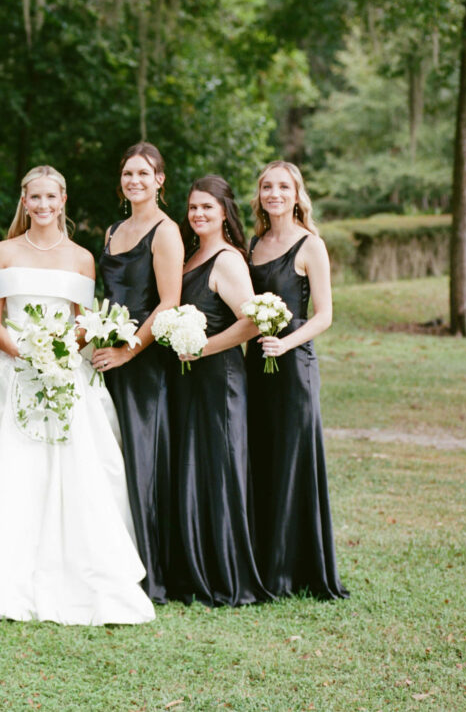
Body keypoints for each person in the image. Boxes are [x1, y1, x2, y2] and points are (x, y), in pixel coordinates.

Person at [0, 165, 155, 625]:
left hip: (67, 372)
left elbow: (84, 319)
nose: (43, 206)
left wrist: (61, 353)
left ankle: (79, 578)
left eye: (51, 197)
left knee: (80, 474)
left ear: (62, 200)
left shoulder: (83, 257)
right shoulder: (3, 253)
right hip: (11, 372)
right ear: (24, 202)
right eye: (35, 198)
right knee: (2, 472)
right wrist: (25, 353)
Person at [245, 161, 349, 600]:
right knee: (262, 456)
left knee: (292, 459)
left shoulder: (311, 246)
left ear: (296, 193)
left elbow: (324, 314)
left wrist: (286, 344)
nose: (274, 193)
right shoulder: (253, 244)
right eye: (267, 186)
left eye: (282, 186)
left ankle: (292, 569)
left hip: (295, 366)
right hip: (256, 365)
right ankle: (263, 561)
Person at [167, 175, 272, 607]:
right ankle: (195, 567)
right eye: (193, 207)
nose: (198, 215)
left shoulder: (228, 259)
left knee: (221, 470)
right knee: (196, 468)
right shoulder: (193, 256)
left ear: (225, 211)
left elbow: (252, 321)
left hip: (220, 378)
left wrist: (202, 347)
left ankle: (228, 574)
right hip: (190, 380)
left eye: (207, 207)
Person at [94, 142, 184, 604]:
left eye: (143, 174)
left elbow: (168, 301)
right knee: (112, 460)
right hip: (106, 355)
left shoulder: (166, 232)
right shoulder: (113, 229)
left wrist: (129, 352)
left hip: (144, 359)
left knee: (143, 460)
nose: (134, 181)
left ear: (159, 180)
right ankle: (115, 560)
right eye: (128, 174)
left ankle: (152, 571)